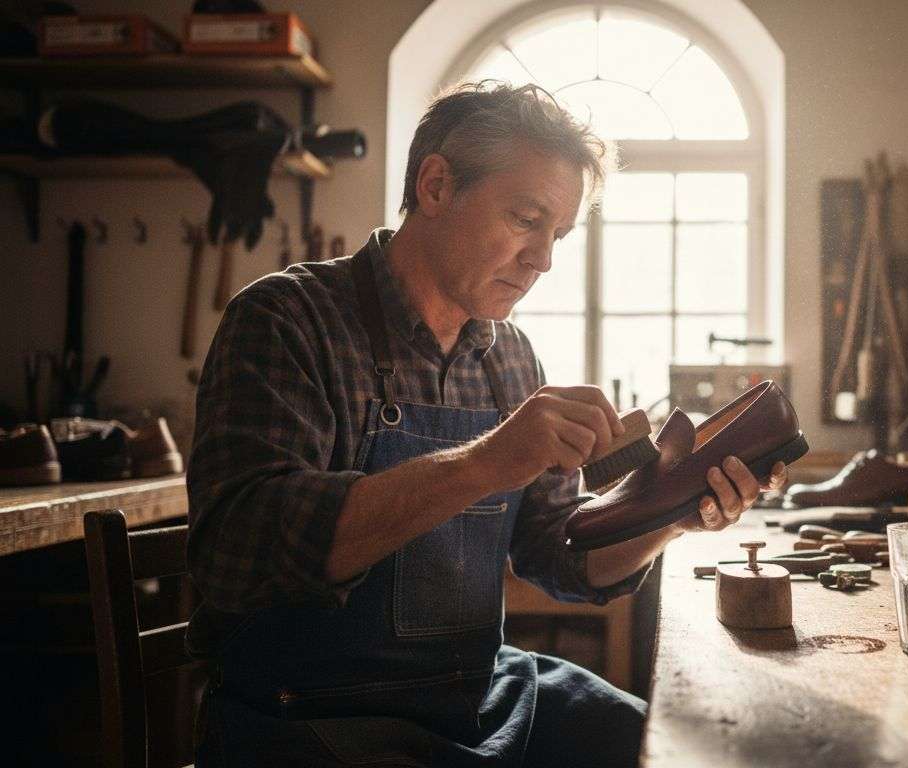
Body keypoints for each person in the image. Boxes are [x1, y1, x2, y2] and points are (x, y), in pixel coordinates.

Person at [185, 80, 786, 767]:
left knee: (683, 750)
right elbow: (234, 556)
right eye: (526, 219)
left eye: (557, 233)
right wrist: (485, 462)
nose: (544, 260)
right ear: (436, 186)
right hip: (312, 716)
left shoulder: (510, 358)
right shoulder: (287, 320)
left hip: (476, 698)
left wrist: (673, 513)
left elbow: (559, 557)